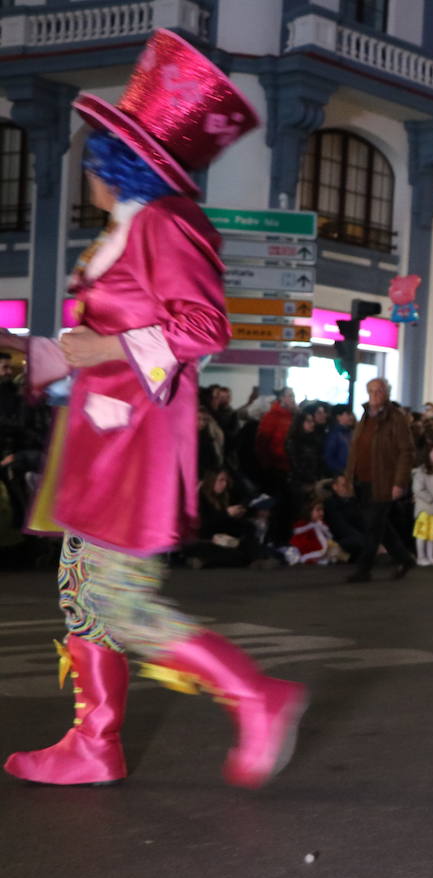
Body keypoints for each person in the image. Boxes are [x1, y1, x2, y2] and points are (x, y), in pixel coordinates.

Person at [1, 30, 306, 790]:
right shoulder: (126, 228)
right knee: (79, 596)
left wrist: (102, 351)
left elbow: (204, 327)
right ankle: (93, 741)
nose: (85, 158)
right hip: (95, 440)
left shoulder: (168, 223)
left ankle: (255, 695)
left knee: (116, 600)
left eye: (96, 147)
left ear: (116, 161)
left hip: (132, 449)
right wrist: (50, 358)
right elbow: (113, 337)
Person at [342, 376, 415, 583]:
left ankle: (363, 569)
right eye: (372, 391)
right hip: (362, 479)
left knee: (374, 527)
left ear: (387, 393)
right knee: (379, 526)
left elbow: (406, 451)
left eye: (379, 391)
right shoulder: (365, 417)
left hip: (383, 481)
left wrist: (399, 482)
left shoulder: (396, 418)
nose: (375, 395)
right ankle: (405, 558)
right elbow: (356, 449)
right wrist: (348, 477)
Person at [324, 403, 355, 475]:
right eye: (348, 414)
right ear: (338, 417)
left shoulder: (349, 432)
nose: (351, 417)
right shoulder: (333, 434)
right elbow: (329, 458)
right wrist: (341, 471)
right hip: (341, 474)